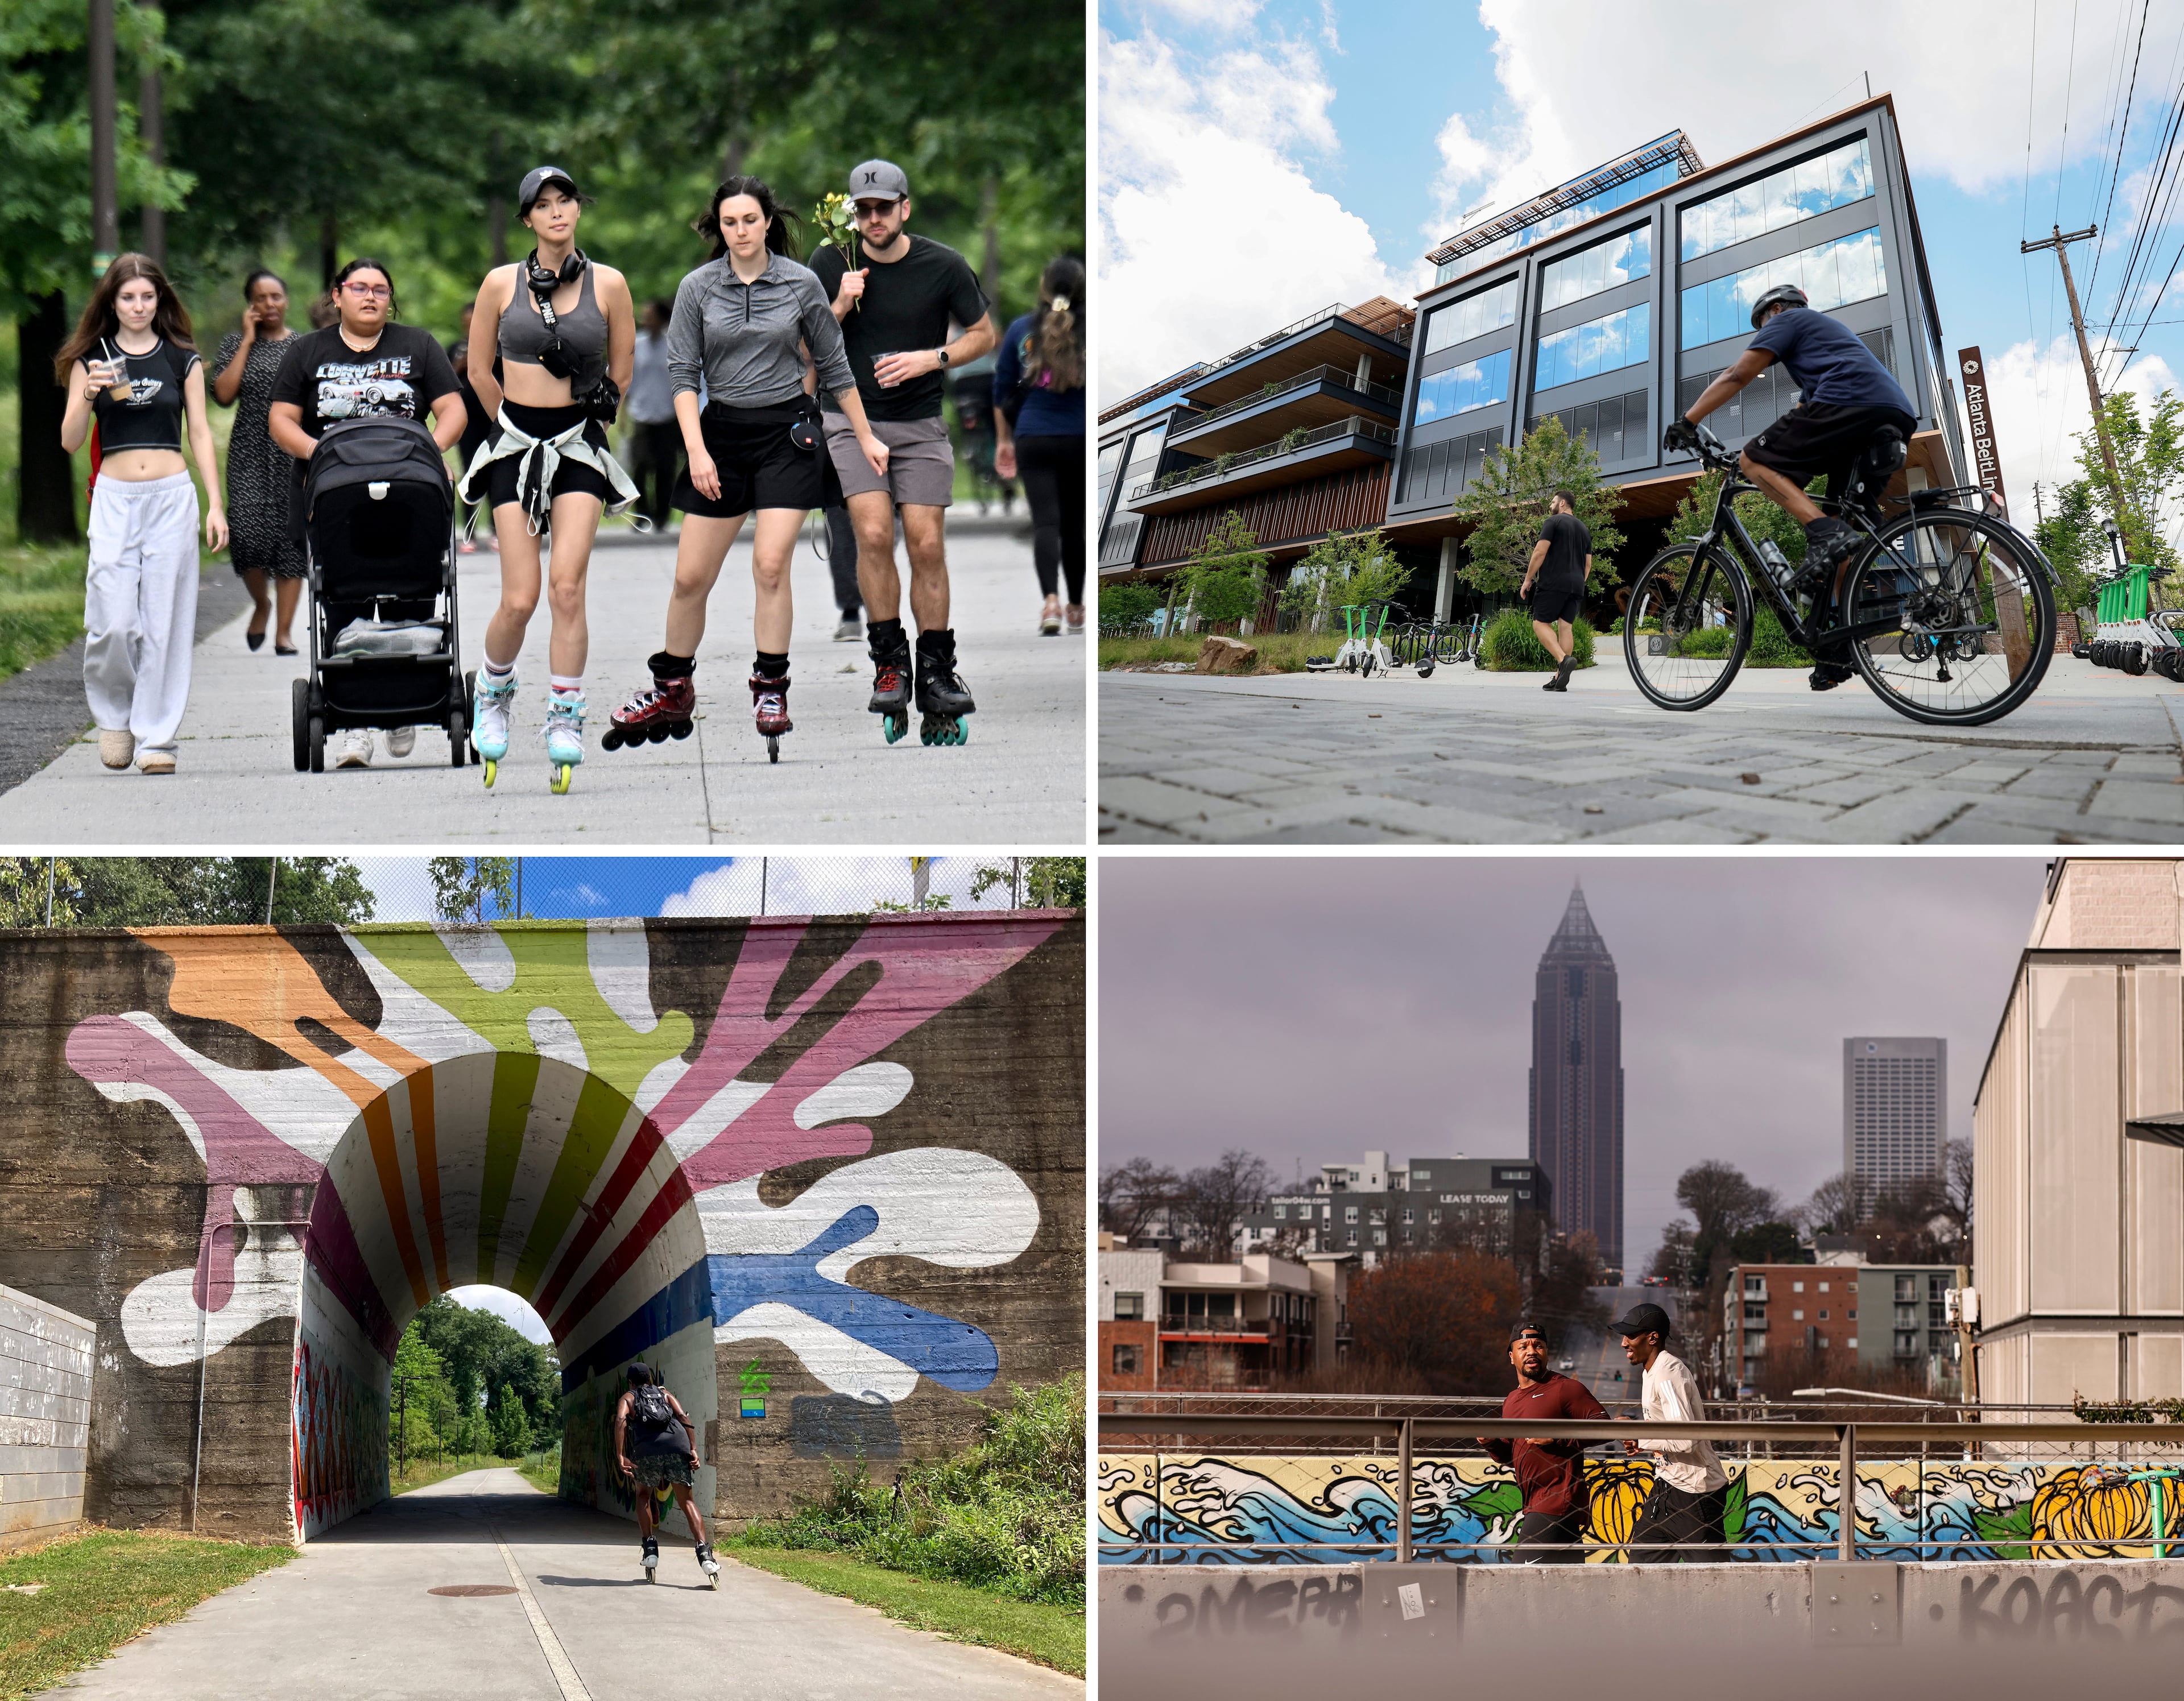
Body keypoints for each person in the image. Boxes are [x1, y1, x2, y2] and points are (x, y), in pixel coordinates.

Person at [606, 176, 886, 761]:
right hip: (721, 435)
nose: (741, 231)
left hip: (789, 434)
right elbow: (683, 373)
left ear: (767, 223)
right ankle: (673, 687)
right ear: (721, 227)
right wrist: (699, 451)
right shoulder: (698, 289)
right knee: (689, 578)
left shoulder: (802, 283)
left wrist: (865, 438)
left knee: (769, 563)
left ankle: (770, 688)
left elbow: (835, 366)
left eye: (750, 221)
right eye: (730, 222)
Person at [459, 165, 641, 794]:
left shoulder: (610, 284)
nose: (558, 212)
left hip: (578, 446)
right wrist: (505, 426)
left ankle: (565, 714)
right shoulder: (497, 284)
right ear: (528, 220)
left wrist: (602, 406)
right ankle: (493, 689)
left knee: (567, 586)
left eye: (566, 201)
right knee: (521, 595)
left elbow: (624, 365)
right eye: (544, 205)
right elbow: (479, 368)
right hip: (514, 442)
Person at [808, 159, 995, 746]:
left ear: (904, 209)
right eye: (862, 210)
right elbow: (801, 349)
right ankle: (890, 663)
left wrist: (930, 358)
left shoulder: (942, 265)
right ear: (851, 214)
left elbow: (983, 335)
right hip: (849, 419)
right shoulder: (831, 262)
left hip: (918, 424)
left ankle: (937, 671)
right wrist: (838, 305)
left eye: (883, 208)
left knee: (926, 542)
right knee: (869, 534)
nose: (872, 219)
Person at [1662, 284, 1918, 691]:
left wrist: (1688, 421)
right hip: (1891, 415)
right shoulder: (1826, 351)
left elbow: (1738, 374)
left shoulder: (1792, 319)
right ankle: (1838, 647)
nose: (1763, 332)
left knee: (1754, 460)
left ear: (1776, 310)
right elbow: (1800, 415)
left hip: (1851, 404)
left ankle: (1825, 533)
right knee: (1841, 522)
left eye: (1761, 324)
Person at [268, 256, 466, 769]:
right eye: (359, 287)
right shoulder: (307, 352)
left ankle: (406, 701)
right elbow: (282, 419)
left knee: (416, 586)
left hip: (409, 488)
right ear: (337, 295)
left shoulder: (418, 346)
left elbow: (453, 410)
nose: (370, 296)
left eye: (381, 289)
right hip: (334, 493)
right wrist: (317, 454)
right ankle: (354, 721)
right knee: (340, 594)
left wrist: (430, 451)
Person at [56, 253, 229, 776]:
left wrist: (214, 503)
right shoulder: (93, 358)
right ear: (112, 302)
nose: (138, 306)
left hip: (172, 496)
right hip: (114, 497)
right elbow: (69, 441)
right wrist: (85, 396)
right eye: (128, 297)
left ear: (160, 301)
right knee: (112, 619)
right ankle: (115, 715)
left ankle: (157, 737)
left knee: (164, 621)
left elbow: (199, 431)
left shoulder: (183, 359)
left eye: (147, 297)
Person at [211, 269, 304, 653]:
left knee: (291, 542)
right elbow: (223, 394)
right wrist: (248, 341)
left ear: (286, 300)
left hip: (292, 451)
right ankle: (261, 604)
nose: (270, 305)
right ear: (250, 304)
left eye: (276, 297)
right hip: (249, 448)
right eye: (261, 298)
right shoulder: (235, 344)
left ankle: (284, 633)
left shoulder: (302, 345)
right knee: (248, 534)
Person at [993, 256, 1086, 636]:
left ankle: (1050, 603)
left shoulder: (1020, 331)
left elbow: (1001, 391)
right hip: (1079, 437)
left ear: (1044, 289)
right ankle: (1077, 606)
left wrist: (1002, 440)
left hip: (1033, 436)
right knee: (1074, 526)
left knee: (1046, 523)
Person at [1477, 1322, 1608, 1563]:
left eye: (1539, 1346)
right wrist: (1492, 1443)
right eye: (1523, 1346)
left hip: (1557, 1500)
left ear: (1547, 1353)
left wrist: (1557, 1437)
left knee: (1521, 1580)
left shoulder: (1566, 1389)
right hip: (1536, 1502)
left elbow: (1605, 1428)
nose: (1532, 1351)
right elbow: (1511, 1456)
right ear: (1512, 1356)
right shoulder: (1511, 1401)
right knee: (1570, 1586)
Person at [1611, 1301, 1728, 1563]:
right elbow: (1667, 1426)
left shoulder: (1667, 1373)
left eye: (1630, 1335)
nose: (1624, 1343)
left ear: (1653, 1338)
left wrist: (1640, 1438)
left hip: (1695, 1494)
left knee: (1716, 1583)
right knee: (1640, 1575)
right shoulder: (1651, 1371)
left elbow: (1686, 1439)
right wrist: (1640, 1438)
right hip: (1666, 1489)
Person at [611, 1363, 718, 1586]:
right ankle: (704, 1554)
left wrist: (621, 1455)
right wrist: (693, 1449)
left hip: (648, 1452)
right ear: (649, 1378)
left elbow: (621, 1420)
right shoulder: (664, 1393)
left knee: (643, 1497)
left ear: (630, 1382)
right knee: (688, 1501)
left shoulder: (628, 1399)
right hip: (678, 1447)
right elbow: (682, 1416)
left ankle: (650, 1550)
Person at [1518, 488, 1591, 693]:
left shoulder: (1553, 522)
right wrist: (1578, 582)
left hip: (1554, 582)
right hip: (1577, 585)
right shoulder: (1584, 529)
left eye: (1553, 502)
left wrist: (1528, 579)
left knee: (1540, 624)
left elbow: (1540, 552)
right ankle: (1560, 678)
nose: (1550, 506)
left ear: (1562, 504)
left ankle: (1563, 660)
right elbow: (1588, 565)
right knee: (1565, 627)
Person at [624, 298, 682, 532]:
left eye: (651, 316)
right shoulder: (637, 345)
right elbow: (628, 381)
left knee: (666, 469)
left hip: (668, 416)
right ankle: (642, 515)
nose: (647, 321)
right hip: (642, 415)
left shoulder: (673, 347)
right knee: (639, 467)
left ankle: (662, 516)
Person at [446, 303, 496, 553]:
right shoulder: (455, 349)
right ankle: (469, 533)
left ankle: (498, 531)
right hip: (467, 421)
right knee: (469, 473)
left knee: (497, 472)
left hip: (493, 418)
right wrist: (461, 365)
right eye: (467, 322)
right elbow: (444, 383)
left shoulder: (498, 348)